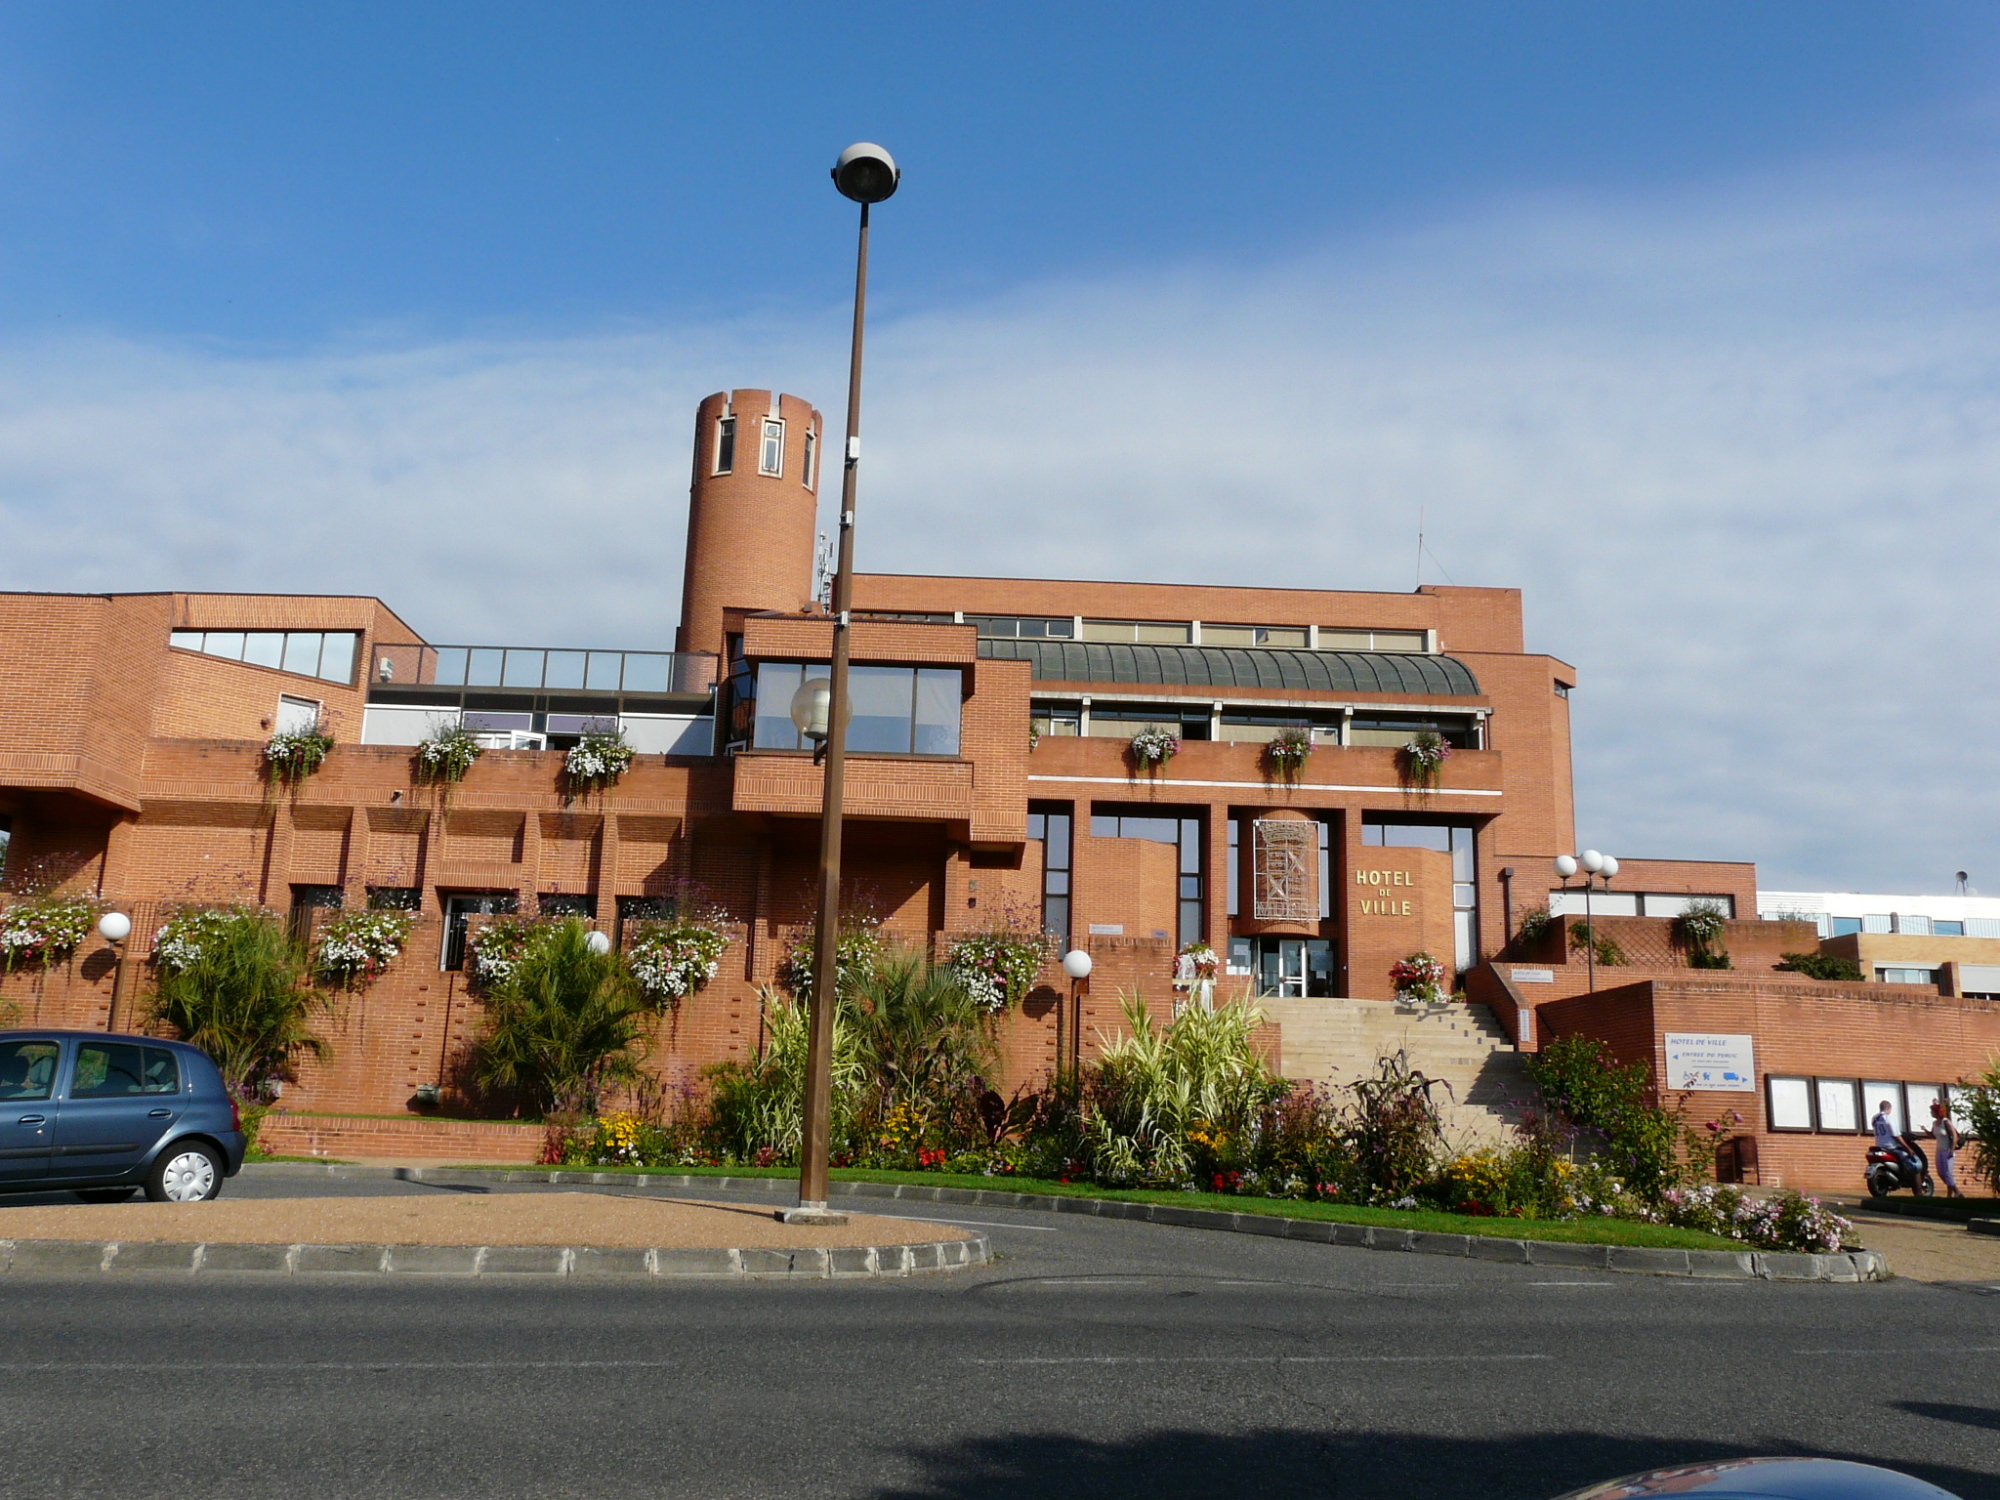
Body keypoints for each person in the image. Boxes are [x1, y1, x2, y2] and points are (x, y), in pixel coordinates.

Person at [1872, 1099, 1922, 1179]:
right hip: (1891, 1147)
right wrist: (1907, 1148)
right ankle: (1913, 1185)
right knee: (1913, 1164)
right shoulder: (1889, 1118)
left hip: (1879, 1146)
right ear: (1888, 1108)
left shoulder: (1875, 1118)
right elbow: (1896, 1135)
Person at [1930, 1099, 1964, 1199]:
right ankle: (1956, 1191)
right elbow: (1933, 1135)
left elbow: (1954, 1136)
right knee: (1941, 1173)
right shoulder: (1935, 1123)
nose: (1931, 1113)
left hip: (1947, 1150)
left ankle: (1953, 1194)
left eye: (1932, 1111)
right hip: (1939, 1150)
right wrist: (1924, 1130)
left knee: (1948, 1173)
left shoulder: (1946, 1122)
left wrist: (1952, 1150)